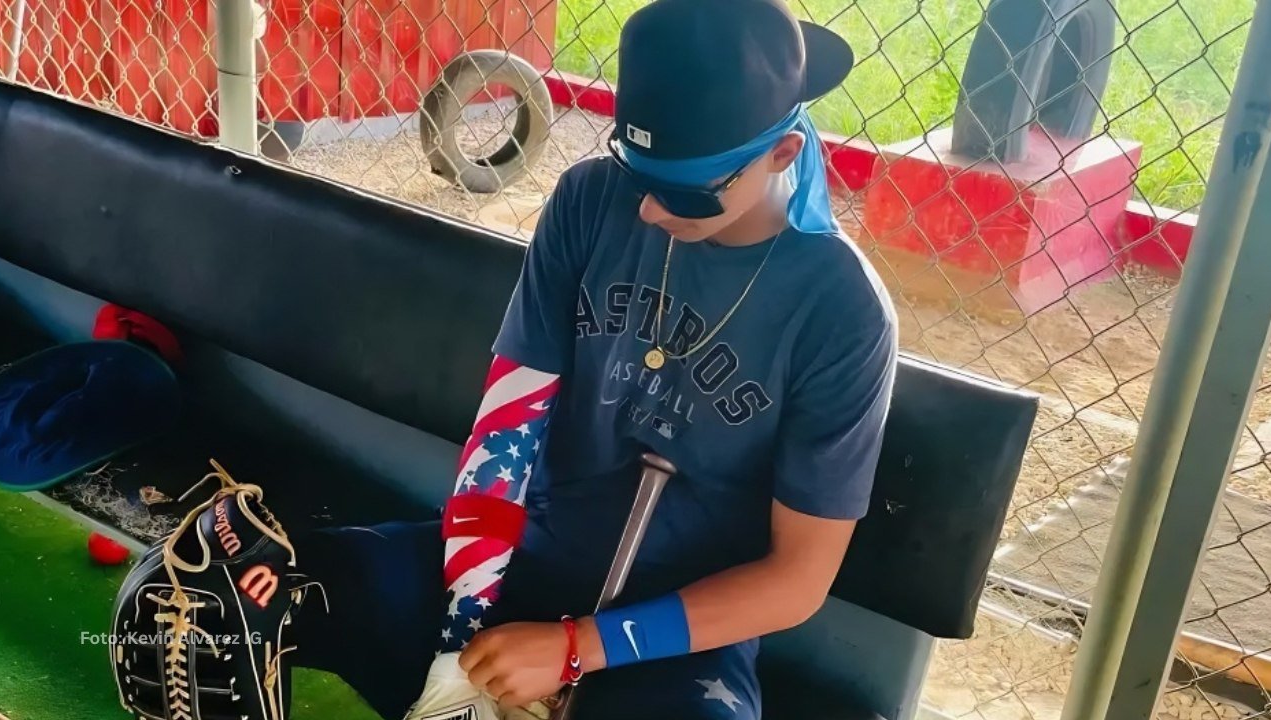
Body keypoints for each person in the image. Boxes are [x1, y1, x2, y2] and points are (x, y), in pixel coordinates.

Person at [292, 1, 898, 718]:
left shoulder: (841, 311)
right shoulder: (590, 200)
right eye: (636, 171)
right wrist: (462, 638)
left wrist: (577, 647)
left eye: (679, 190)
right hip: (519, 554)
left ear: (781, 155)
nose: (644, 209)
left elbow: (797, 579)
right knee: (240, 590)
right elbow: (509, 422)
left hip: (677, 629)